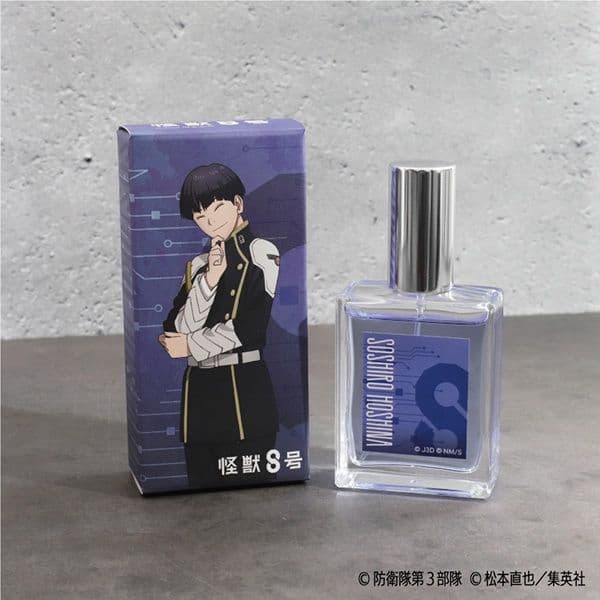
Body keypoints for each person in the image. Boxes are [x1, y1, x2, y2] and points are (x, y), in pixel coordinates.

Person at [159, 163, 280, 488]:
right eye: (200, 216)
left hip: (244, 390)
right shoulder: (199, 265)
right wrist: (210, 279)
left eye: (216, 209)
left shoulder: (261, 252)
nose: (209, 222)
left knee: (255, 491)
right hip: (199, 394)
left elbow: (251, 326)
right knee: (200, 485)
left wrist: (191, 345)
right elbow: (176, 328)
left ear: (238, 203)